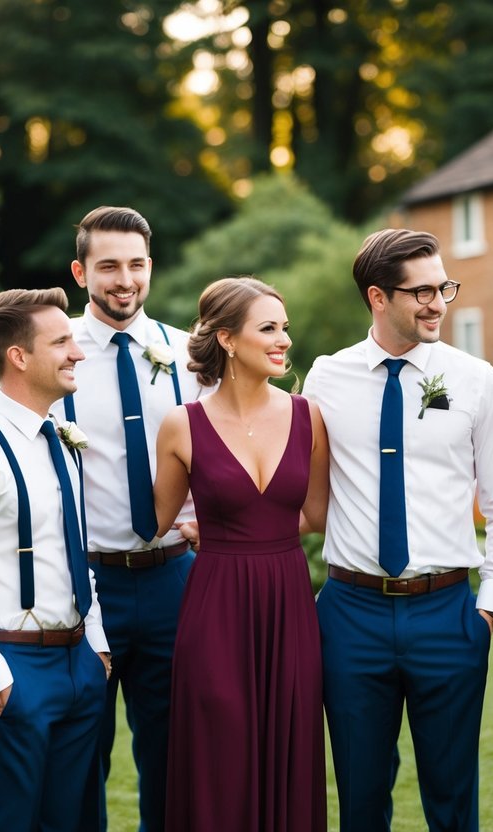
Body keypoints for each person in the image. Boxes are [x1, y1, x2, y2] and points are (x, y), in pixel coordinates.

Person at [303, 228, 493, 831]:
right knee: (360, 794)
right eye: (420, 291)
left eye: (443, 288)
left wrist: (490, 607)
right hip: (350, 613)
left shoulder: (477, 379)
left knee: (453, 798)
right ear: (377, 297)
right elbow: (305, 491)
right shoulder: (325, 379)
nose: (437, 303)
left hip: (448, 612)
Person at [0, 288, 111, 831]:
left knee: (76, 819)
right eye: (61, 342)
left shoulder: (61, 442)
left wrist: (96, 648)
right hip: (16, 666)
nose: (77, 353)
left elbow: (77, 550)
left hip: (79, 662)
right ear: (19, 357)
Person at [155, 276, 329, 831]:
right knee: (218, 751)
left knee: (291, 744)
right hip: (215, 606)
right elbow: (158, 521)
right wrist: (203, 531)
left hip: (288, 601)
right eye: (269, 328)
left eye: (285, 328)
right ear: (227, 339)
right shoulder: (181, 424)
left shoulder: (309, 416)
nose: (284, 340)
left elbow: (317, 514)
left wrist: (254, 532)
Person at [54, 206, 203, 831]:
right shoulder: (50, 350)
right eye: (109, 265)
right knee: (79, 756)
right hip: (83, 584)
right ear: (80, 271)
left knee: (175, 757)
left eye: (136, 264)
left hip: (174, 579)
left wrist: (206, 521)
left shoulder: (188, 353)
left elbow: (212, 451)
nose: (125, 279)